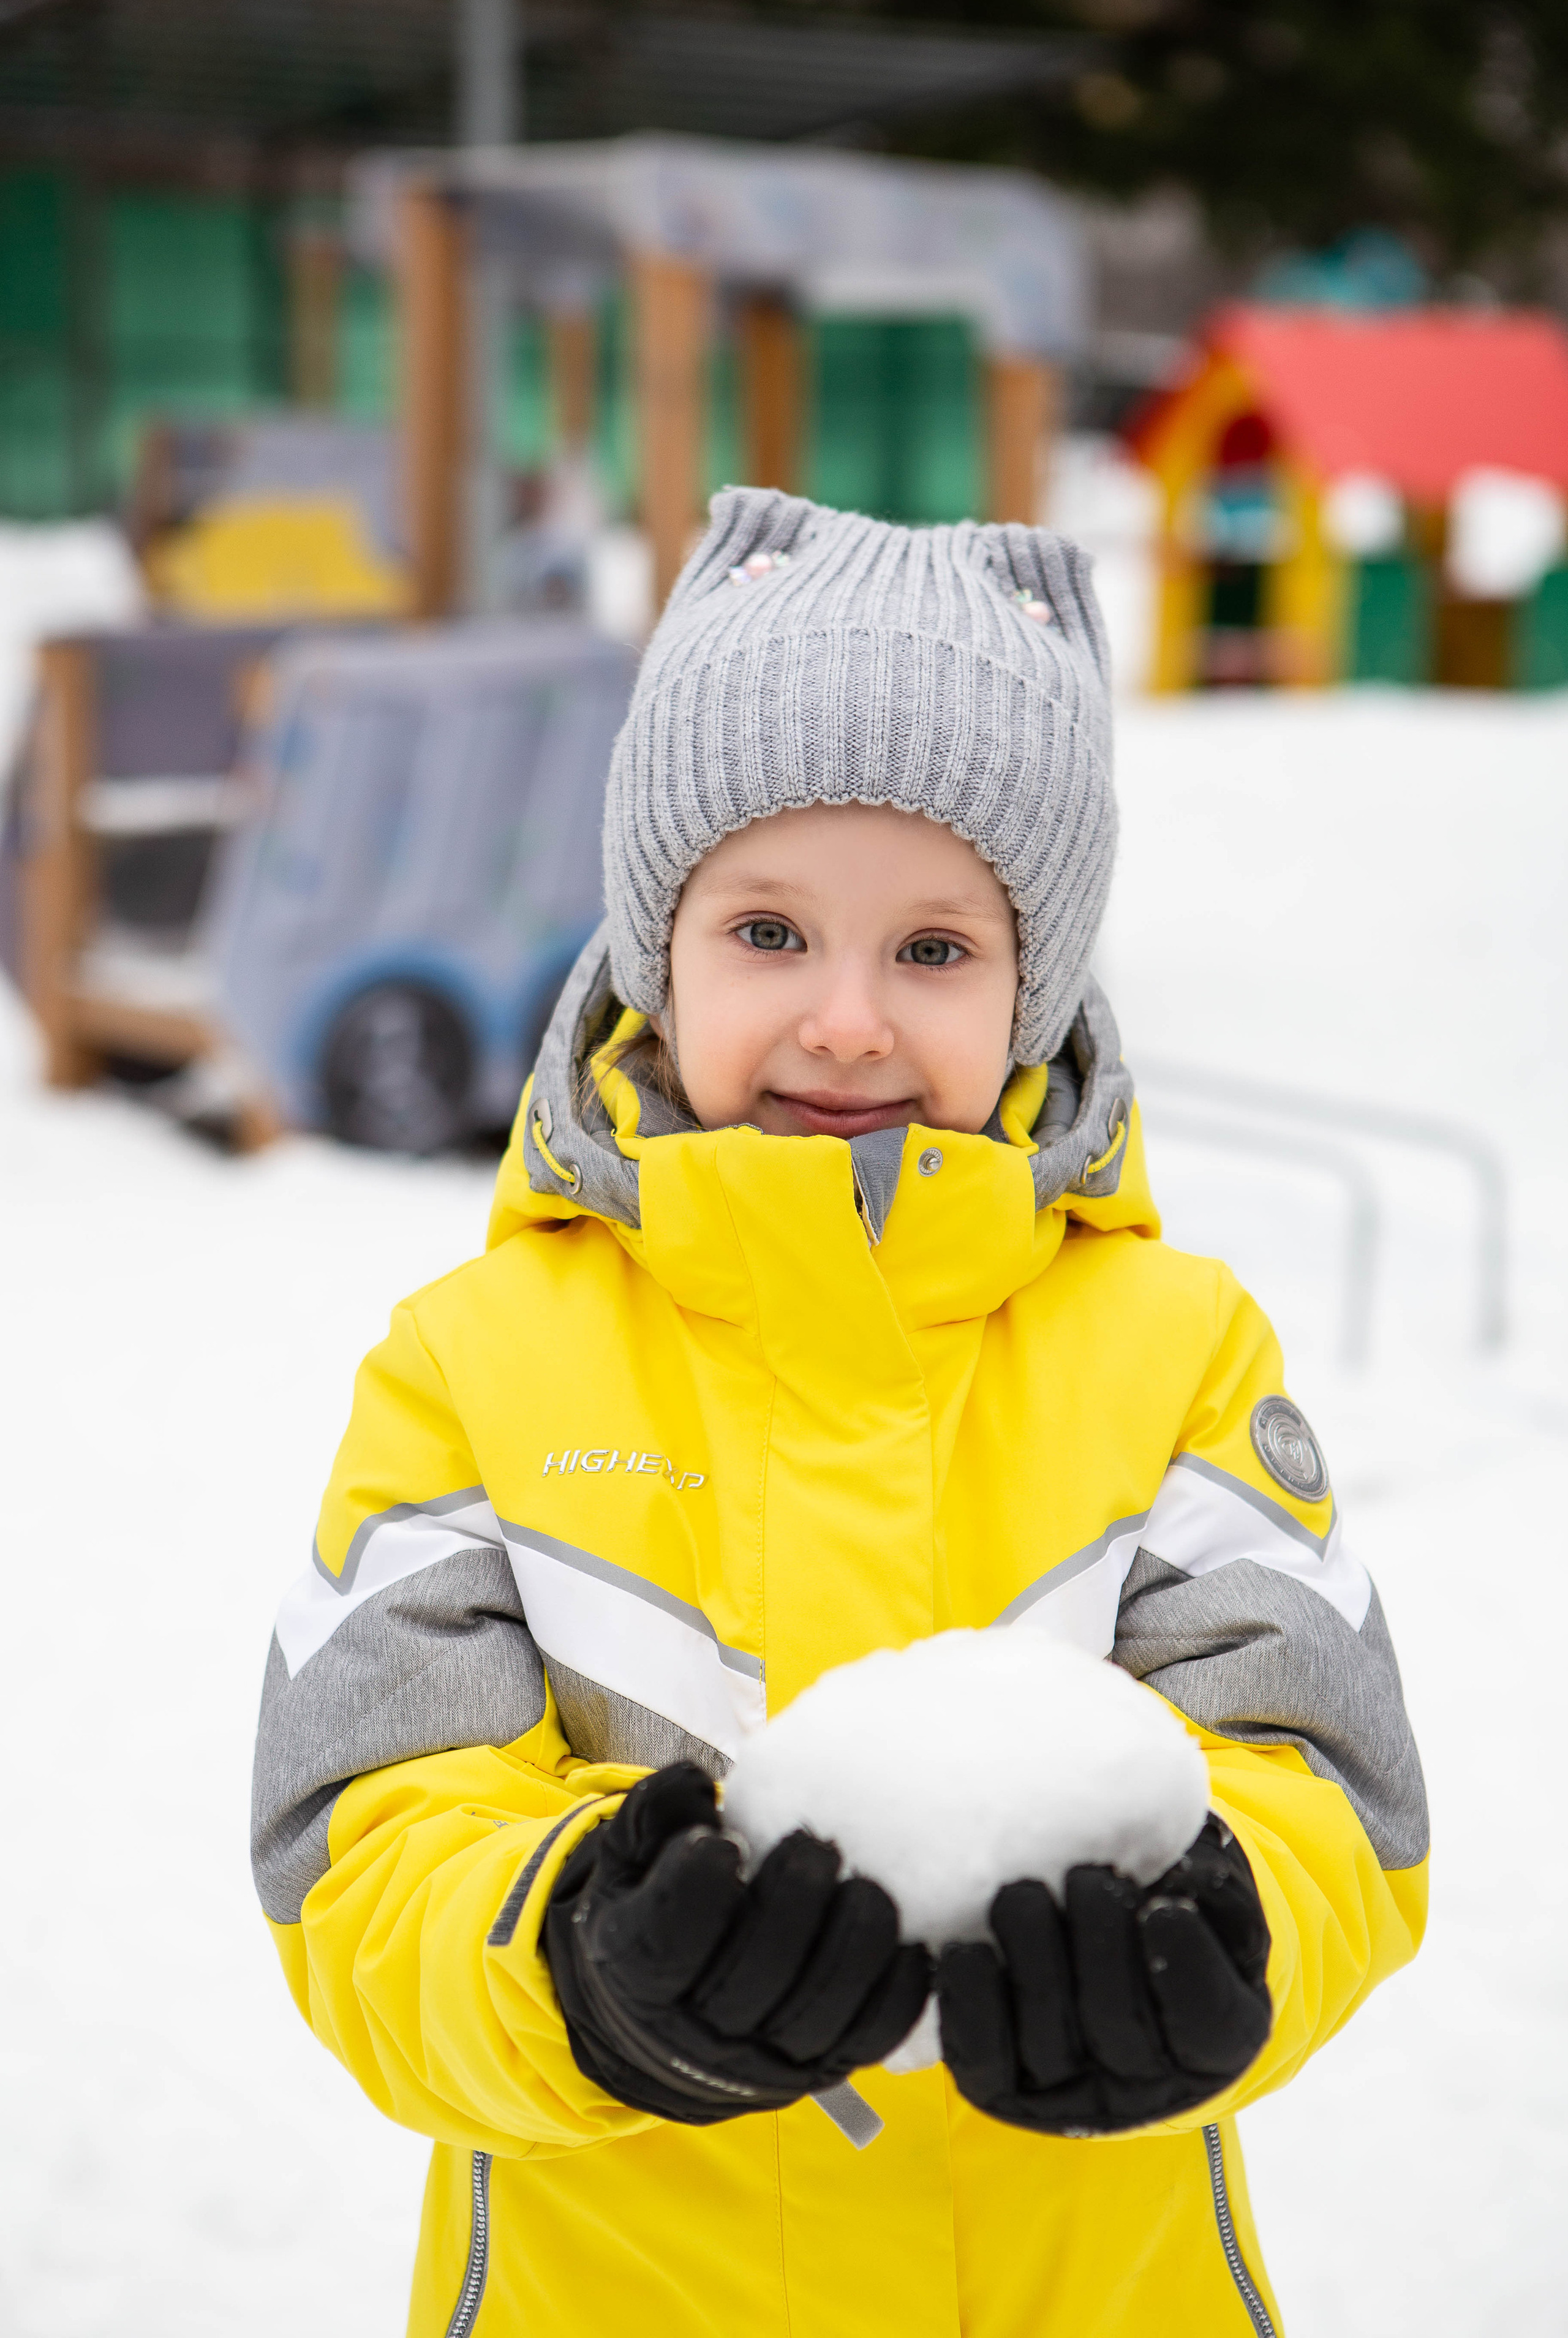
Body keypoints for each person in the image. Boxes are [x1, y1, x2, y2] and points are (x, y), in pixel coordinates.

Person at [252, 488, 1427, 2338]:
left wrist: (1223, 1937)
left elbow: (1325, 1779)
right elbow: (362, 1843)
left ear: (1035, 985)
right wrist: (580, 1966)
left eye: (935, 951)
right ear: (659, 954)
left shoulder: (1178, 1351)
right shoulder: (474, 1365)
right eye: (770, 931)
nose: (851, 1021)